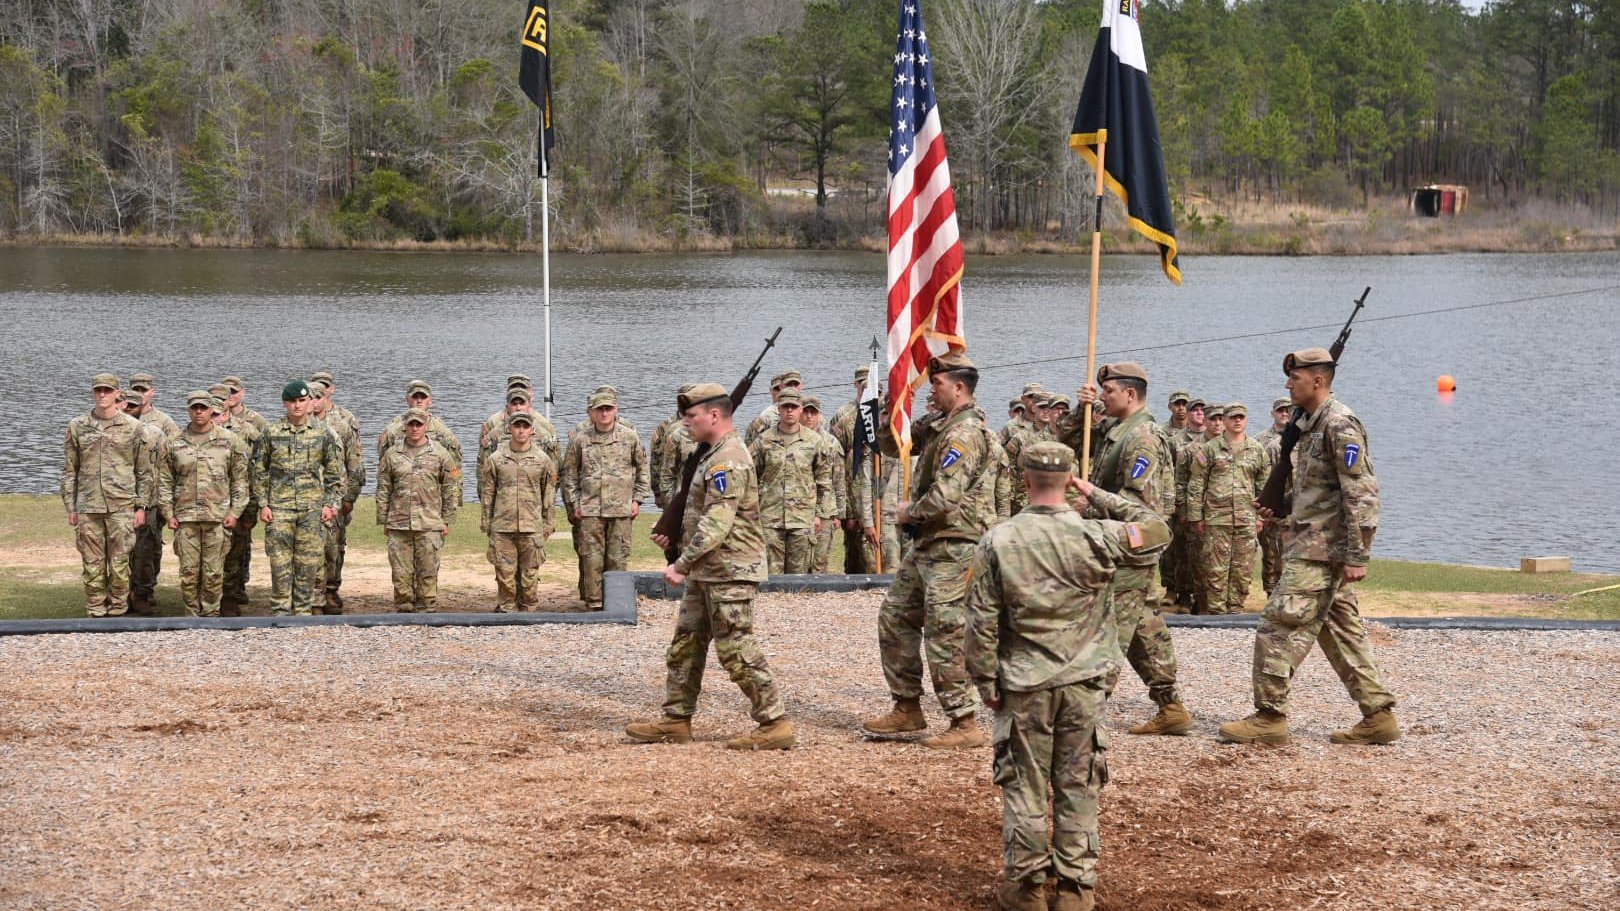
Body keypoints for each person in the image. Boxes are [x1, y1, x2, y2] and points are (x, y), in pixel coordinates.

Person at [967, 442, 1171, 911]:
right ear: (1070, 483)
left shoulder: (999, 540)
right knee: (1078, 785)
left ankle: (1027, 889)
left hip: (1024, 684)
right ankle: (1076, 890)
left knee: (1025, 786)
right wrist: (1097, 493)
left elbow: (980, 621)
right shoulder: (1098, 535)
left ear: (1024, 482)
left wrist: (986, 682)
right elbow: (1158, 529)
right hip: (1084, 683)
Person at [1219, 348, 1399, 746]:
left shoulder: (1339, 425)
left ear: (1317, 380)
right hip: (1312, 543)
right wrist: (1280, 504)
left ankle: (1269, 716)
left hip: (1322, 550)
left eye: (1295, 378)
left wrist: (1358, 555)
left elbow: (1363, 494)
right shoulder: (1308, 425)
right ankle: (1378, 714)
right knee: (1341, 630)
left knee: (1278, 626)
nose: (1288, 385)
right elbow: (1316, 489)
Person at [628, 383, 795, 751]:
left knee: (736, 647)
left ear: (715, 415)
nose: (685, 423)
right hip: (709, 569)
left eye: (692, 416)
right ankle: (676, 719)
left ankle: (774, 722)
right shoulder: (711, 454)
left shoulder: (728, 459)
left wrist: (682, 564)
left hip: (729, 570)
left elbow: (717, 522)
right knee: (685, 645)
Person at [862, 351, 998, 749]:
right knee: (895, 617)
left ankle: (964, 720)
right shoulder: (939, 423)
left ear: (959, 387)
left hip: (955, 544)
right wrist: (894, 402)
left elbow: (947, 496)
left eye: (935, 383)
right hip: (928, 544)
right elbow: (892, 445)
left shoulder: (965, 433)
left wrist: (910, 513)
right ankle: (907, 706)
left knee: (945, 629)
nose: (930, 388)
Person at [1070, 362, 1192, 736]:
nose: (1103, 397)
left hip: (1129, 544)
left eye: (1108, 392)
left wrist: (1088, 506)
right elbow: (1069, 436)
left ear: (1130, 394)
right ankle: (1170, 705)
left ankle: (1082, 717)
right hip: (1115, 539)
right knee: (1143, 624)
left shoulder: (1142, 438)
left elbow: (1139, 504)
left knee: (1107, 630)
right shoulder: (1116, 429)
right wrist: (1082, 409)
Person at [61, 373, 156, 618]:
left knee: (120, 563)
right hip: (88, 506)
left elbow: (144, 471)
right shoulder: (78, 426)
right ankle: (95, 610)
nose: (102, 395)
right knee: (92, 563)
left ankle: (117, 610)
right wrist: (71, 507)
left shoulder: (134, 428)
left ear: (117, 394)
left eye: (107, 390)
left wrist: (141, 507)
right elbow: (70, 470)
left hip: (121, 506)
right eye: (98, 390)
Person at [254, 381, 344, 616]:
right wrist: (263, 503)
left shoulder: (323, 433)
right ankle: (281, 611)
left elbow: (335, 473)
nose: (297, 406)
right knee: (280, 563)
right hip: (280, 508)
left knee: (307, 563)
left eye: (301, 401)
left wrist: (330, 504)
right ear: (285, 403)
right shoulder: (271, 433)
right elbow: (259, 471)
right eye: (292, 401)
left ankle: (303, 611)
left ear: (309, 403)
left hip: (311, 509)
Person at [160, 391, 250, 617]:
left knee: (213, 572)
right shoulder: (174, 442)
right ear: (189, 410)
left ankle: (211, 613)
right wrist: (168, 512)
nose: (198, 411)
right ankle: (191, 613)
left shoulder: (229, 441)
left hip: (217, 517)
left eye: (203, 407)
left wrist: (235, 512)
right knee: (189, 572)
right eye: (194, 408)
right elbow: (164, 481)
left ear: (212, 410)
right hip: (186, 517)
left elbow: (240, 480)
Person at [563, 389, 650, 609]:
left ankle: (615, 602)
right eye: (600, 409)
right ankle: (593, 603)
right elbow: (570, 475)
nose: (604, 413)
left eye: (608, 408)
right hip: (590, 509)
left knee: (618, 557)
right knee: (592, 559)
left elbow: (642, 470)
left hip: (621, 509)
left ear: (615, 410)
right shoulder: (581, 440)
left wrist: (637, 500)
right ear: (592, 412)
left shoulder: (629, 437)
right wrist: (575, 503)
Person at [1186, 403, 1269, 614]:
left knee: (1243, 568)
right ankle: (1216, 612)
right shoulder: (1210, 449)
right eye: (1233, 418)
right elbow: (1196, 484)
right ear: (1225, 421)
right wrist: (1196, 517)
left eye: (1241, 417)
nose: (1238, 421)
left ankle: (1235, 610)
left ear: (1246, 420)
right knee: (1216, 569)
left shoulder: (1257, 449)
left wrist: (1261, 516)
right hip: (1216, 518)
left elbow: (1264, 484)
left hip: (1246, 518)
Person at [376, 407, 460, 613]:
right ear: (404, 426)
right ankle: (404, 610)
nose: (414, 428)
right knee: (401, 572)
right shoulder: (392, 454)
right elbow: (384, 488)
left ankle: (427, 609)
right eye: (411, 424)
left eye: (418, 424)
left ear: (426, 426)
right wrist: (384, 519)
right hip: (399, 522)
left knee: (428, 571)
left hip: (429, 523)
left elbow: (450, 488)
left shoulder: (441, 454)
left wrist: (446, 520)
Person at [750, 389, 833, 575]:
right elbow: (750, 478)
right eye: (785, 407)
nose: (789, 411)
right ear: (779, 409)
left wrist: (820, 514)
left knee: (799, 575)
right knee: (771, 575)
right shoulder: (763, 441)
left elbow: (824, 481)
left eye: (793, 407)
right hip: (770, 517)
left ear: (800, 410)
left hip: (803, 518)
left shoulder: (815, 441)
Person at [480, 411, 557, 613]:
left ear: (532, 430)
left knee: (529, 576)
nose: (521, 431)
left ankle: (528, 611)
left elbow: (548, 495)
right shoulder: (496, 459)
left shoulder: (543, 460)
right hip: (502, 526)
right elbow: (488, 494)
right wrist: (487, 523)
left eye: (525, 427)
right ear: (510, 429)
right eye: (517, 426)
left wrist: (548, 525)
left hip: (531, 526)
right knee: (505, 575)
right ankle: (507, 612)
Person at [310, 380, 365, 613]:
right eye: (309, 398)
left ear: (326, 398)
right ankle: (313, 596)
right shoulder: (297, 427)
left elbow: (355, 464)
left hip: (334, 497)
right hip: (306, 499)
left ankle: (331, 590)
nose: (313, 402)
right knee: (309, 548)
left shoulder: (342, 425)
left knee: (333, 547)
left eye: (318, 397)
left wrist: (349, 496)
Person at [217, 381, 262, 614]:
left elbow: (256, 473)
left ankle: (232, 597)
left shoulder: (248, 432)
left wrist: (251, 509)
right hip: (210, 505)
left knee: (236, 553)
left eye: (224, 398)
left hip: (240, 504)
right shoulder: (193, 431)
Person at [802, 397, 846, 573]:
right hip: (800, 510)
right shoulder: (796, 440)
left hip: (827, 510)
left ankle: (818, 598)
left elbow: (839, 479)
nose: (809, 416)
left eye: (813, 412)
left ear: (819, 415)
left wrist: (840, 514)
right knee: (801, 563)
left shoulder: (831, 443)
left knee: (820, 563)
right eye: (805, 411)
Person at [1255, 397, 1292, 596]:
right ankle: (1270, 591)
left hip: (1291, 504)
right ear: (1273, 413)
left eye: (1288, 410)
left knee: (1286, 552)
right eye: (1280, 411)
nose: (1284, 414)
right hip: (1270, 503)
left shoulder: (1299, 438)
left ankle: (1284, 591)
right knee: (1270, 552)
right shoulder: (1261, 441)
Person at [648, 384, 696, 509]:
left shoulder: (704, 424)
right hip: (675, 492)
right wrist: (657, 492)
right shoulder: (666, 427)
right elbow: (656, 460)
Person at [745, 369, 803, 444]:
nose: (792, 388)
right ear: (781, 387)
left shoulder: (810, 411)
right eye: (789, 384)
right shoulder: (767, 415)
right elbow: (752, 444)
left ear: (801, 386)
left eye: (796, 384)